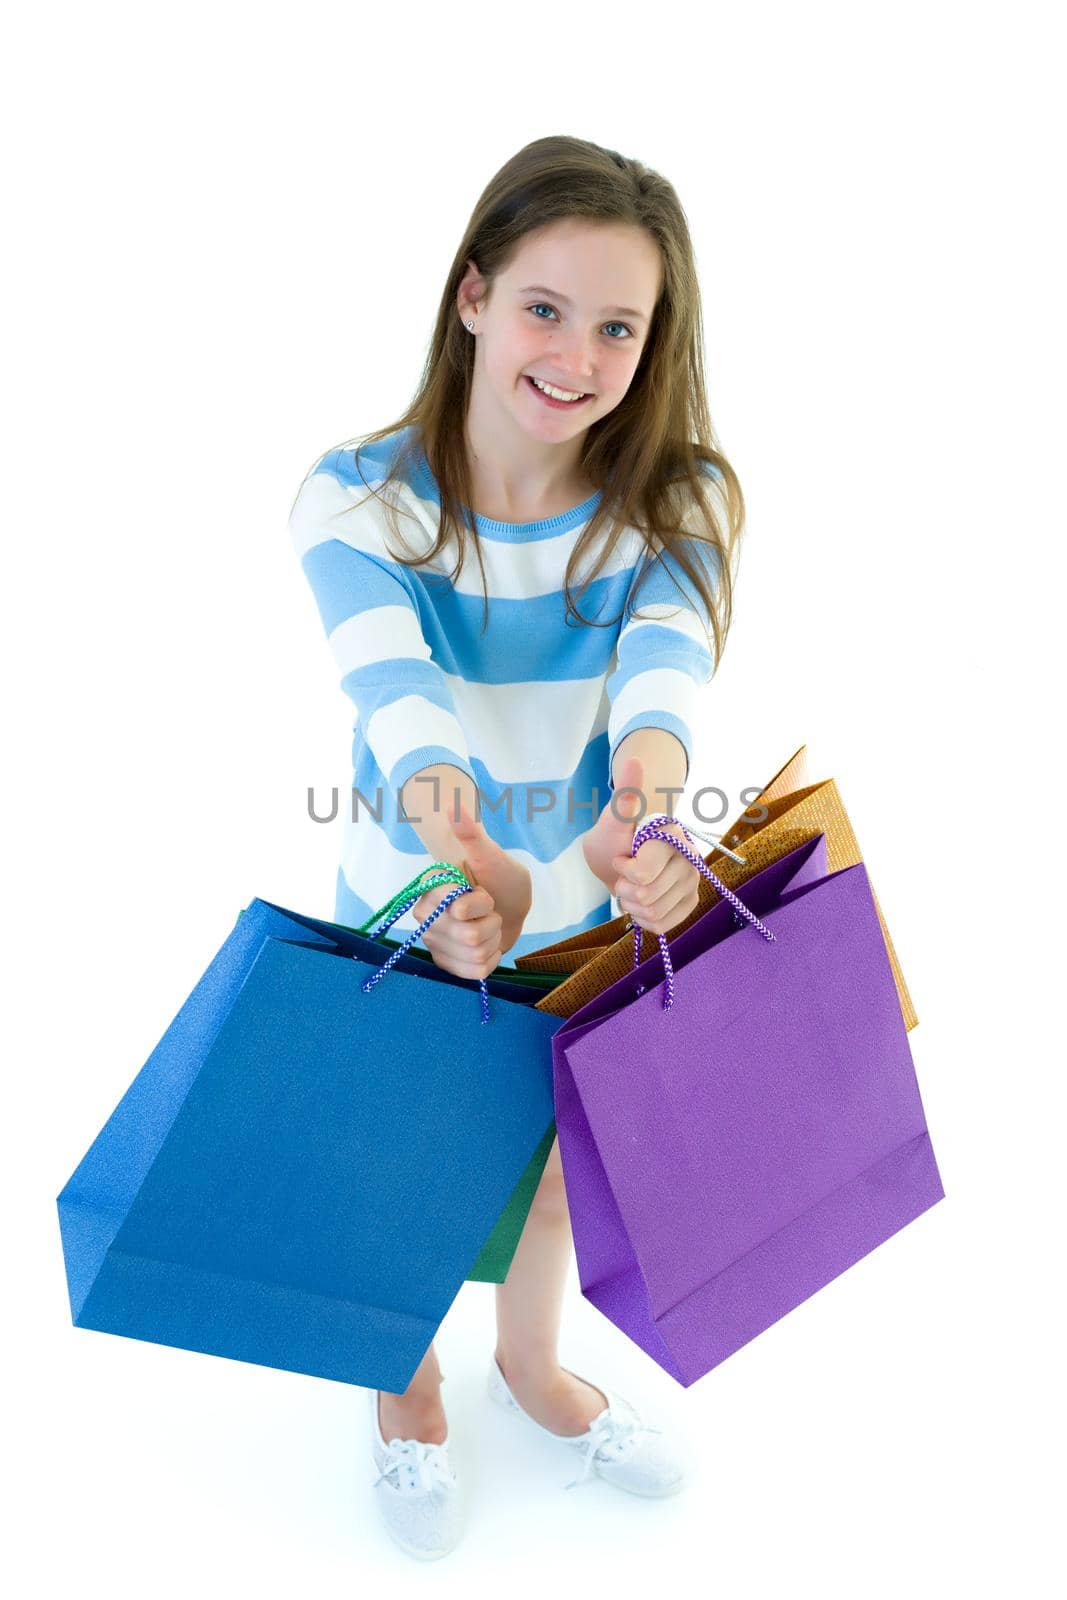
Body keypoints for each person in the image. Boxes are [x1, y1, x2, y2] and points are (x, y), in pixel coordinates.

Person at [287, 134, 745, 1560]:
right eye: (546, 307)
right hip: (420, 892)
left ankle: (532, 1366)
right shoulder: (360, 499)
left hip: (591, 896)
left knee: (556, 1165)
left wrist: (654, 815)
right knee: (405, 1157)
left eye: (621, 325)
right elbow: (399, 702)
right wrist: (455, 866)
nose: (579, 354)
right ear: (472, 297)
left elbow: (662, 683)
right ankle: (403, 1379)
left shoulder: (677, 502)